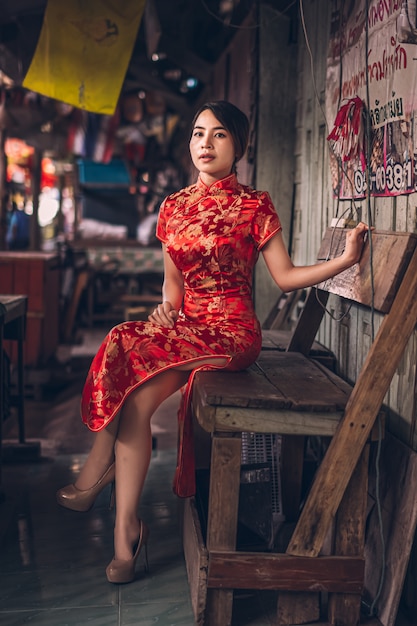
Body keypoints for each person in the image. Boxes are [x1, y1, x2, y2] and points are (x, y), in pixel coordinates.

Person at [56, 100, 369, 584]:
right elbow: (173, 288)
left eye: (219, 134)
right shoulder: (173, 207)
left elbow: (285, 278)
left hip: (232, 334)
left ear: (238, 146)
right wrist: (166, 310)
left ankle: (96, 469)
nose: (205, 142)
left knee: (128, 349)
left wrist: (346, 261)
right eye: (199, 133)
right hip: (188, 330)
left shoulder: (254, 205)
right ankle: (126, 533)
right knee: (134, 384)